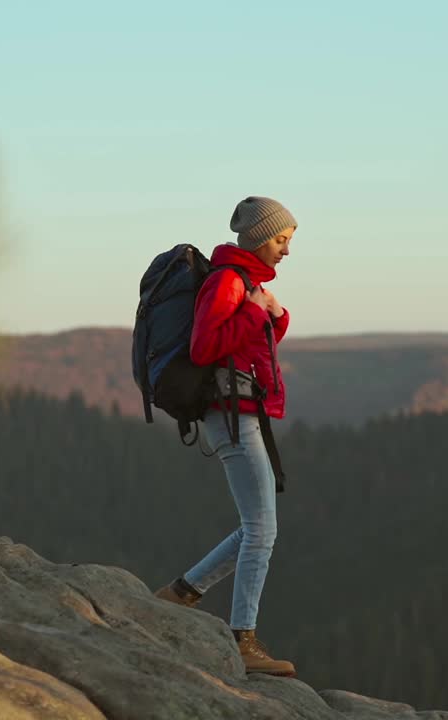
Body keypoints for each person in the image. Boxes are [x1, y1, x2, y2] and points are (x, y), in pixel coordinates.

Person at [154, 196, 297, 677]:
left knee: (256, 527)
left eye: (288, 240)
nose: (286, 250)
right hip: (230, 416)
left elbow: (247, 348)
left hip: (242, 412)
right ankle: (242, 641)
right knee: (262, 530)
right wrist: (256, 311)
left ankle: (180, 594)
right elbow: (204, 347)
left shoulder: (246, 285)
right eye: (281, 239)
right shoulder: (227, 282)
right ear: (258, 238)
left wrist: (273, 317)